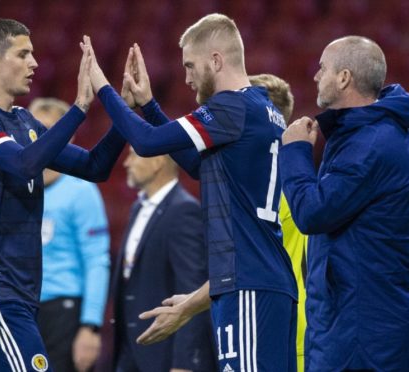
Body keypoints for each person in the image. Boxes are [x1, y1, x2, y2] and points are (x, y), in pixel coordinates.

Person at [84, 12, 298, 372]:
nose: (185, 77)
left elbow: (147, 143)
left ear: (216, 59)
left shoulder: (232, 106)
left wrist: (103, 89)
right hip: (265, 280)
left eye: (190, 65)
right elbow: (201, 166)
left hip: (246, 284)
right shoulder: (263, 109)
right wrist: (149, 106)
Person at [0, 17, 125, 372]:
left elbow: (94, 167)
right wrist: (79, 108)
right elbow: (25, 164)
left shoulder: (24, 122)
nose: (34, 63)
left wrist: (124, 111)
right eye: (23, 54)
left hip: (22, 290)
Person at [279, 36, 409, 371]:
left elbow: (312, 213)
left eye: (323, 68)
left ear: (344, 77)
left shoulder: (369, 145)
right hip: (368, 324)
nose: (316, 76)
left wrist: (295, 151)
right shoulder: (374, 133)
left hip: (367, 336)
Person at [111, 146, 217, 372]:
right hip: (131, 351)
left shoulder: (184, 210)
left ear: (158, 161)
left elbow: (192, 289)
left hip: (164, 356)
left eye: (132, 155)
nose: (126, 163)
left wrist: (185, 363)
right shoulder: (137, 207)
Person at [28, 98, 110, 372]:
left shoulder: (81, 191)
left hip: (64, 312)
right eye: (34, 128)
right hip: (24, 311)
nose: (39, 137)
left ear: (67, 137)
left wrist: (90, 326)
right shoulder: (19, 187)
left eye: (49, 130)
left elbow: (97, 260)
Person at [249, 74, 307, 372]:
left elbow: (246, 269)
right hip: (292, 329)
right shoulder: (295, 173)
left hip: (280, 331)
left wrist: (186, 306)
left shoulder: (271, 186)